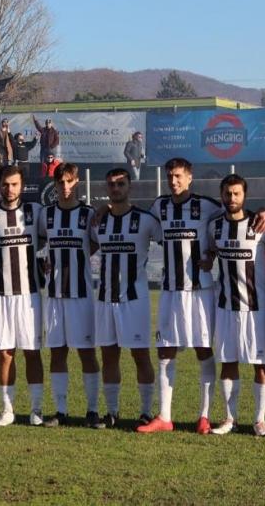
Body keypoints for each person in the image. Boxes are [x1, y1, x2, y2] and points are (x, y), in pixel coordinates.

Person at [136, 158, 265, 435]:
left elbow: (237, 214)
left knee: (204, 350)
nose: (174, 181)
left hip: (201, 291)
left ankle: (204, 416)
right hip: (170, 290)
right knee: (165, 351)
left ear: (190, 177)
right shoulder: (159, 206)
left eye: (178, 176)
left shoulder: (208, 206)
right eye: (170, 176)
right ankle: (164, 416)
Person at [91, 168, 162, 428]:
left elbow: (171, 242)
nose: (116, 188)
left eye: (121, 184)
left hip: (135, 300)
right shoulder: (98, 221)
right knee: (109, 356)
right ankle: (112, 412)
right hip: (105, 298)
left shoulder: (146, 220)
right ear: (106, 188)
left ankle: (146, 411)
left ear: (129, 186)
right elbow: (86, 247)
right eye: (111, 184)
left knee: (140, 355)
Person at [0, 165, 47, 427]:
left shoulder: (35, 212)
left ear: (22, 186)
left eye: (14, 184)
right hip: (0, 295)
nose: (10, 189)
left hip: (29, 296)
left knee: (32, 352)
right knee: (5, 353)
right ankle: (7, 410)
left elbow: (51, 235)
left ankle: (36, 409)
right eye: (5, 184)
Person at [205, 174, 265, 436]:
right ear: (221, 195)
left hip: (255, 308)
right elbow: (211, 250)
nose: (232, 198)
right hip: (225, 306)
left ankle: (259, 420)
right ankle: (229, 419)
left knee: (260, 364)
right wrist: (208, 258)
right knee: (228, 362)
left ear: (245, 195)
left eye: (236, 193)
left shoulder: (259, 224)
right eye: (227, 193)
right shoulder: (215, 227)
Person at [39, 163, 104, 429]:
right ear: (55, 185)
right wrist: (47, 261)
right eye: (60, 182)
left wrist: (80, 256)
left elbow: (97, 241)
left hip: (81, 295)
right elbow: (39, 241)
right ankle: (61, 411)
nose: (65, 186)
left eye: (69, 181)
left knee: (87, 353)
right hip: (54, 295)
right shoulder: (46, 214)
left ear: (76, 182)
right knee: (58, 353)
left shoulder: (88, 214)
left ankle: (92, 411)